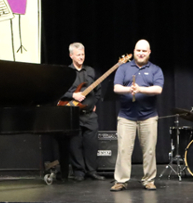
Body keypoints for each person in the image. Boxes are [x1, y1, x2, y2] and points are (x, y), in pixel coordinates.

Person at [110, 39, 164, 191]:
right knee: (123, 150)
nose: (140, 53)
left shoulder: (155, 70)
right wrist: (129, 90)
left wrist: (140, 89)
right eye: (138, 51)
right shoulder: (124, 68)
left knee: (149, 150)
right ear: (134, 51)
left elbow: (158, 89)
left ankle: (149, 180)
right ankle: (121, 181)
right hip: (126, 117)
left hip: (149, 117)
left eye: (144, 51)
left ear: (149, 53)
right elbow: (116, 87)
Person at [62, 43, 105, 182]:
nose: (81, 57)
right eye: (78, 55)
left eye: (83, 54)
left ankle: (92, 171)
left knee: (91, 144)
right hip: (73, 114)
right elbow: (59, 91)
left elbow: (98, 90)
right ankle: (79, 173)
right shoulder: (66, 72)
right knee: (75, 144)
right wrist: (72, 96)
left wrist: (94, 103)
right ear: (71, 55)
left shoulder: (90, 71)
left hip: (90, 115)